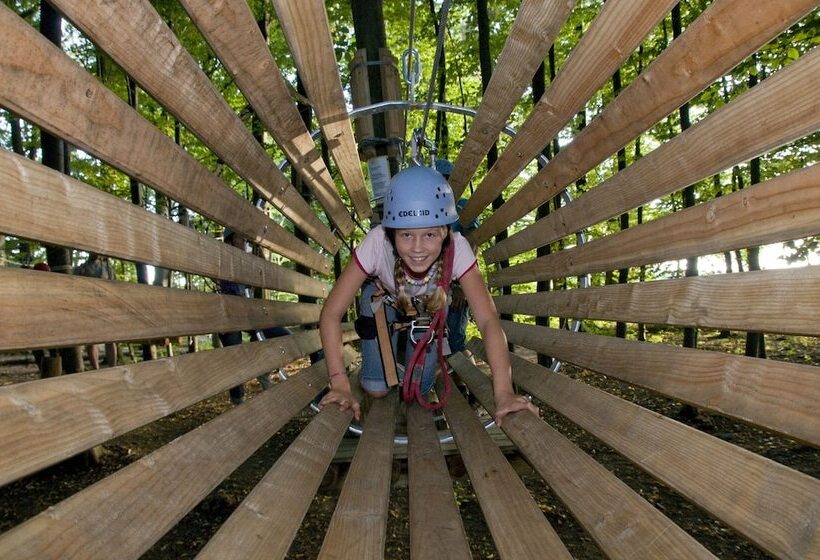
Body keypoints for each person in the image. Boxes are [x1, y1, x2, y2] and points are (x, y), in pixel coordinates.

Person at [319, 165, 538, 426]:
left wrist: (504, 393)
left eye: (430, 235)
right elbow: (331, 313)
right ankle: (387, 354)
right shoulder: (377, 243)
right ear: (391, 234)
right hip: (383, 301)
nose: (417, 248)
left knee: (420, 391)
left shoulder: (458, 248)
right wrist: (340, 382)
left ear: (446, 232)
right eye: (406, 235)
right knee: (376, 389)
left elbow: (488, 321)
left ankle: (412, 359)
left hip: (429, 306)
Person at [218, 227, 290, 404]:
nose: (244, 243)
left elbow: (265, 273)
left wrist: (257, 250)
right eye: (240, 239)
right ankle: (238, 401)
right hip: (230, 314)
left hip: (251, 314)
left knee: (282, 336)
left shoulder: (248, 260)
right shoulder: (222, 259)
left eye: (245, 240)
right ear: (229, 241)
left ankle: (263, 372)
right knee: (234, 353)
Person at [74, 253, 118, 369]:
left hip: (106, 306)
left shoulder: (107, 267)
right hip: (90, 307)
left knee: (110, 339)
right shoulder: (82, 268)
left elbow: (115, 286)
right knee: (92, 340)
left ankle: (113, 367)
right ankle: (96, 368)